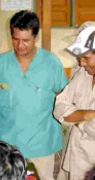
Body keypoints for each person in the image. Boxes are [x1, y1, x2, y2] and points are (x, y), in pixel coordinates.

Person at [0, 10, 68, 180]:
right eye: (16, 39)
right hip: (9, 143)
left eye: (26, 40)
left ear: (36, 37)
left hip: (42, 143)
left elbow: (62, 96)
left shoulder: (51, 63)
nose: (20, 45)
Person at [54, 22, 95, 180]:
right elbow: (59, 106)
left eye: (85, 57)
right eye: (79, 57)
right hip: (73, 156)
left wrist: (74, 116)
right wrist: (87, 114)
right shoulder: (82, 74)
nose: (81, 63)